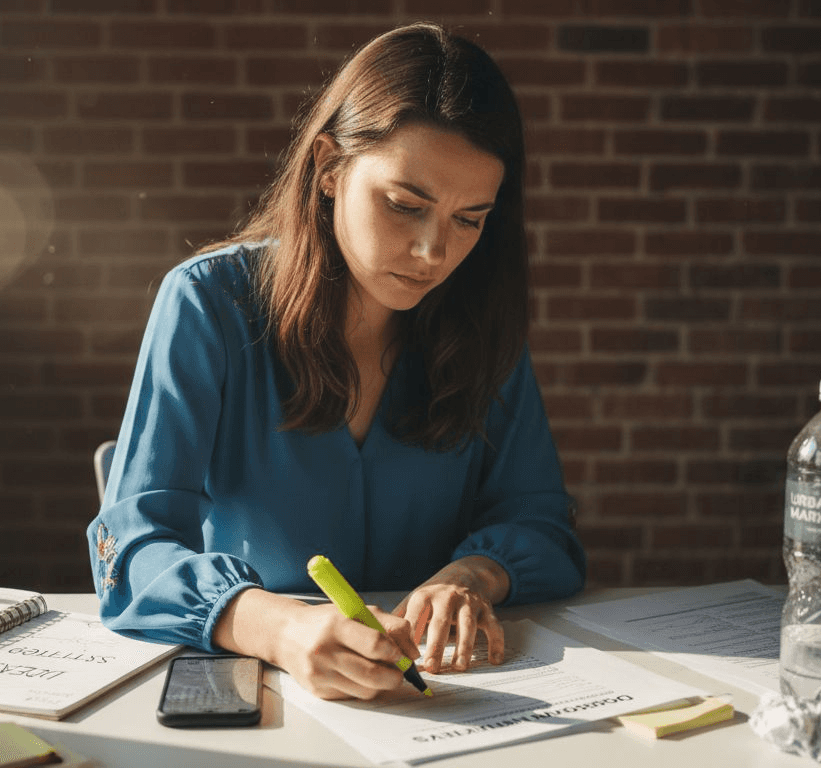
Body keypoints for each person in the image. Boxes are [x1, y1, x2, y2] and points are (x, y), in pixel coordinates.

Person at [86, 21, 586, 701]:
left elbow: (543, 525)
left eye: (469, 219)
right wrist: (280, 630)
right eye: (405, 205)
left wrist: (472, 575)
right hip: (271, 694)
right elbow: (130, 553)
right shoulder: (209, 303)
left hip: (446, 700)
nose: (434, 254)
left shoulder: (481, 321)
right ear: (329, 168)